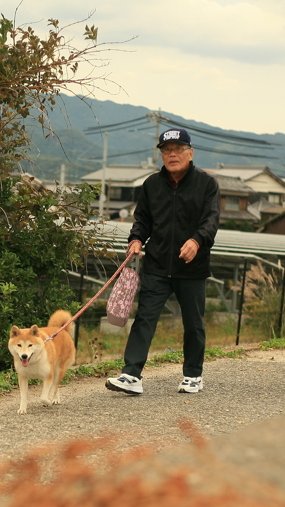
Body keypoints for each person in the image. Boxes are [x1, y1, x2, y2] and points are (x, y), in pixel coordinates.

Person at [106, 127, 219, 395]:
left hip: (192, 266)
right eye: (166, 150)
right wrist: (135, 240)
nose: (172, 155)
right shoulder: (151, 184)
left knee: (193, 323)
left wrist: (196, 241)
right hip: (156, 265)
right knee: (144, 318)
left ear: (190, 153)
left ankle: (193, 375)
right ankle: (131, 375)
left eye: (178, 149)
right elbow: (142, 219)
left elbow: (211, 221)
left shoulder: (207, 184)